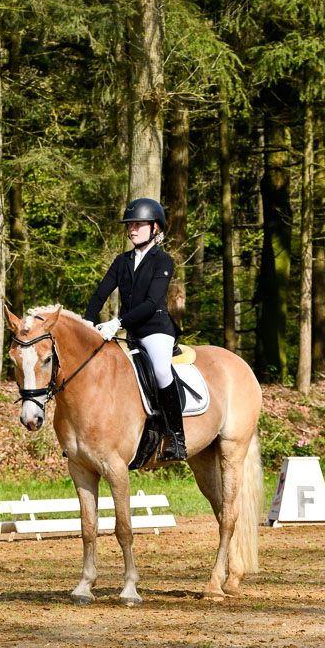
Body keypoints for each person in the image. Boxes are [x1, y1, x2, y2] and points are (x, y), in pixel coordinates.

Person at [84, 197, 187, 462]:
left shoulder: (163, 261)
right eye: (130, 225)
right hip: (130, 333)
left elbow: (152, 303)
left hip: (155, 329)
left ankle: (177, 437)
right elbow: (100, 293)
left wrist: (117, 322)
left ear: (155, 228)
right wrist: (86, 321)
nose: (132, 229)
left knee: (162, 370)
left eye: (138, 225)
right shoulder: (122, 261)